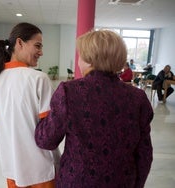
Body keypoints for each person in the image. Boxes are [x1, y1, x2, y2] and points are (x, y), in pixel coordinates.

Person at [35, 30, 153, 188]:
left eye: (80, 56)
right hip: (122, 182)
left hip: (76, 181)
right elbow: (144, 154)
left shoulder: (69, 92)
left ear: (90, 60)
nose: (78, 62)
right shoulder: (138, 98)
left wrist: (43, 118)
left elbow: (46, 140)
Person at [0, 22, 59, 188]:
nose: (41, 52)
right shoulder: (38, 79)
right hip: (40, 170)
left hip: (12, 168)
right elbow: (51, 131)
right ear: (19, 43)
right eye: (37, 46)